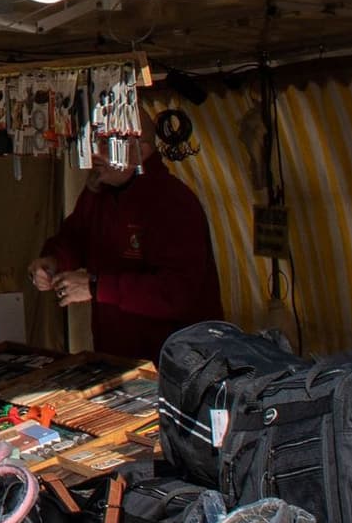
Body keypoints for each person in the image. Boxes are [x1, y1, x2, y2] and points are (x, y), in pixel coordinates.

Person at [30, 138, 224, 362]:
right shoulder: (100, 192)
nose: (94, 154)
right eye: (92, 143)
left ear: (139, 150)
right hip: (118, 358)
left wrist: (96, 286)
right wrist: (53, 261)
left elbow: (174, 292)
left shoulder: (172, 201)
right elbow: (76, 237)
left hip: (177, 365)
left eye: (105, 145)